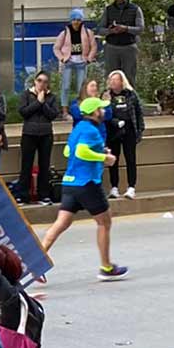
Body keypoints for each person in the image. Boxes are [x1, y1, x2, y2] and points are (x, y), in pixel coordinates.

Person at [39, 97, 128, 280]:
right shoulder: (91, 130)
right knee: (105, 222)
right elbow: (81, 151)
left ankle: (35, 264)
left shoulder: (78, 128)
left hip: (70, 183)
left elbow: (68, 151)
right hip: (87, 183)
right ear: (95, 112)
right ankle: (106, 267)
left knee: (61, 223)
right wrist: (105, 159)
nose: (103, 112)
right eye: (101, 109)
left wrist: (99, 152)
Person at [16, 71, 62, 206]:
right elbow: (24, 112)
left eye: (45, 81)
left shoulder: (52, 97)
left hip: (46, 134)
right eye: (39, 81)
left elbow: (53, 114)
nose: (42, 84)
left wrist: (43, 103)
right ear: (35, 82)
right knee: (26, 165)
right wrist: (38, 102)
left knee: (44, 165)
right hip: (29, 134)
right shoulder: (26, 95)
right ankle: (23, 195)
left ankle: (44, 195)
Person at [104, 69, 147, 199]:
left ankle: (131, 187)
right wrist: (115, 122)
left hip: (129, 129)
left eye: (116, 80)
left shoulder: (131, 94)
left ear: (122, 81)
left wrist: (140, 130)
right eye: (111, 80)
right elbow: (103, 112)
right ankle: (114, 187)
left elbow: (139, 112)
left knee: (130, 158)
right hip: (113, 130)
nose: (113, 82)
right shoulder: (106, 95)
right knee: (114, 159)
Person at [99, 0, 144, 85]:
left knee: (129, 76)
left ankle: (130, 98)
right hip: (112, 47)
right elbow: (100, 29)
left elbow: (140, 29)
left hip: (128, 47)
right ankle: (110, 98)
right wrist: (110, 31)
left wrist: (126, 29)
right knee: (111, 75)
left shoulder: (135, 9)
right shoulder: (109, 9)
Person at [52, 8, 99, 107]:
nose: (76, 22)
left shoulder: (87, 32)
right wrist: (62, 58)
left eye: (78, 19)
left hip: (82, 62)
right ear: (71, 20)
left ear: (81, 20)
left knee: (81, 87)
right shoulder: (64, 33)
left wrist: (89, 58)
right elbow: (56, 48)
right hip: (68, 61)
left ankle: (81, 107)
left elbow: (93, 46)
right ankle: (64, 110)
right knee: (65, 87)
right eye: (74, 19)